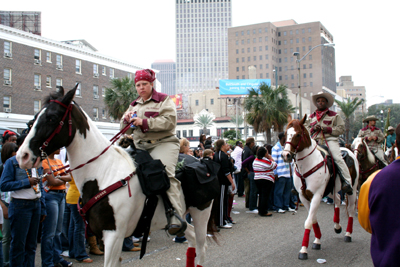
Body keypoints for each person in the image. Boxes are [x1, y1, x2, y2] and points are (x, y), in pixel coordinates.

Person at [121, 69, 185, 236]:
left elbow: (170, 122)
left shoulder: (163, 100)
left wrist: (143, 121)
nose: (141, 87)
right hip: (140, 145)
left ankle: (176, 217)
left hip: (164, 143)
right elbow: (123, 128)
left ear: (151, 84)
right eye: (138, 85)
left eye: (144, 84)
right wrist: (125, 119)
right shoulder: (133, 104)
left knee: (165, 174)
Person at [358, 124, 400, 266]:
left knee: (382, 158)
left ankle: (345, 179)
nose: (371, 124)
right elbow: (358, 138)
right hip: (364, 147)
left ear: (397, 145)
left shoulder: (379, 131)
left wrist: (375, 137)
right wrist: (365, 138)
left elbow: (367, 223)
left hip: (375, 148)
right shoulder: (363, 131)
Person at [0, 141, 45, 267]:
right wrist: (26, 182)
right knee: (19, 245)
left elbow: (40, 186)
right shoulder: (13, 162)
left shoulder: (37, 162)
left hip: (36, 205)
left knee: (31, 245)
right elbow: (4, 185)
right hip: (20, 206)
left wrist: (43, 208)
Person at [304, 91, 353, 195]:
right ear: (316, 103)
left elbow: (341, 129)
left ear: (326, 103)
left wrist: (327, 129)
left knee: (337, 158)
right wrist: (312, 129)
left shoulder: (335, 116)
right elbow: (305, 129)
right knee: (303, 156)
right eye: (318, 101)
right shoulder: (310, 117)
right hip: (314, 141)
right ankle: (300, 184)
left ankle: (347, 182)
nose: (320, 102)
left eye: (322, 101)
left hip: (329, 140)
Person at [41, 149, 73, 267]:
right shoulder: (45, 162)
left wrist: (58, 176)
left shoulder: (59, 161)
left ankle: (56, 257)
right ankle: (47, 261)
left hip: (60, 195)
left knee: (58, 231)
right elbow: (52, 181)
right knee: (50, 231)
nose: (60, 148)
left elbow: (69, 177)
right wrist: (61, 178)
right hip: (51, 196)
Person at [0, 142, 18, 267]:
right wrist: (2, 205)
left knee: (15, 236)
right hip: (5, 203)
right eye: (14, 151)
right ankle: (5, 261)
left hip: (15, 202)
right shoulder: (2, 168)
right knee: (6, 236)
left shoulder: (17, 166)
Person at [212, 140, 236, 229]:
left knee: (222, 201)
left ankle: (223, 219)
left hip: (219, 180)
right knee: (222, 202)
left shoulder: (217, 154)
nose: (227, 145)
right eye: (226, 144)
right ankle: (221, 222)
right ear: (222, 146)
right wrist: (232, 182)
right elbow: (226, 171)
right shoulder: (223, 156)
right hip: (222, 181)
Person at [272, 133, 295, 213]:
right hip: (280, 173)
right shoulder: (276, 148)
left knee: (287, 192)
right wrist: (275, 173)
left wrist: (290, 172)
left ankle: (286, 206)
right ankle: (278, 207)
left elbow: (289, 161)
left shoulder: (286, 148)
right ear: (283, 138)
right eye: (286, 136)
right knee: (279, 192)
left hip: (287, 173)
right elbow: (274, 161)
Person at [253, 146, 277, 217]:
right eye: (267, 152)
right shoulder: (266, 161)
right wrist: (271, 158)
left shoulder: (256, 160)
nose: (268, 153)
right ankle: (264, 211)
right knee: (265, 196)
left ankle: (260, 209)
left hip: (257, 179)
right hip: (266, 180)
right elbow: (274, 165)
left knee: (261, 195)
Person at [241, 145, 259, 213]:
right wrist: (248, 171)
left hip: (254, 173)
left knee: (254, 190)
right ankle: (252, 206)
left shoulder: (256, 157)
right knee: (253, 190)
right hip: (252, 173)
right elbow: (243, 163)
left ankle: (254, 205)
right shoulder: (252, 157)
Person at [241, 137, 255, 206]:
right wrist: (248, 171)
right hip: (246, 172)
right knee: (248, 188)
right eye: (253, 142)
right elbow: (244, 162)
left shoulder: (245, 149)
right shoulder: (248, 150)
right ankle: (248, 203)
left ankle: (248, 203)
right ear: (251, 143)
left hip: (246, 172)